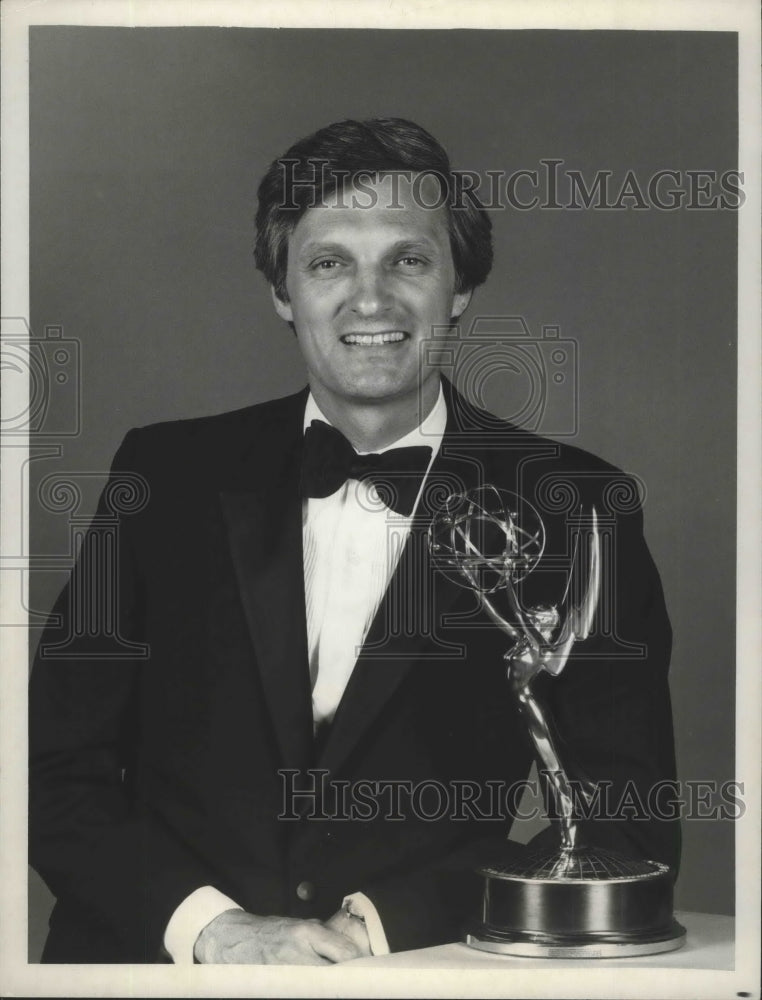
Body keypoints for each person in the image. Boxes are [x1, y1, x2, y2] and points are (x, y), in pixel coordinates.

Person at [29, 117, 679, 964]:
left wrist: (379, 927)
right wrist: (213, 930)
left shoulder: (576, 504)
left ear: (460, 287)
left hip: (422, 967)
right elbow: (47, 767)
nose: (370, 300)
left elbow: (625, 816)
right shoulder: (163, 472)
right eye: (329, 262)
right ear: (281, 292)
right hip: (152, 967)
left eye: (408, 260)